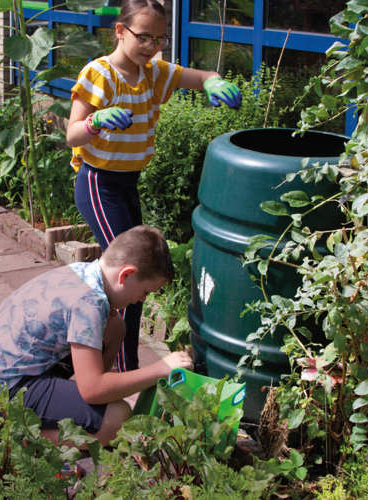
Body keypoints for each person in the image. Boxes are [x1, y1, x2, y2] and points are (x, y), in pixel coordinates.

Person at [67, 0, 241, 374]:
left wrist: (213, 80)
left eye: (159, 40)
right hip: (99, 183)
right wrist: (96, 121)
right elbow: (72, 134)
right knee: (128, 276)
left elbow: (198, 75)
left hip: (128, 183)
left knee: (129, 282)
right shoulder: (99, 73)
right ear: (120, 31)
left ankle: (107, 366)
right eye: (143, 37)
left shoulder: (153, 73)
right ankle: (117, 374)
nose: (151, 47)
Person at [0, 225, 193, 445]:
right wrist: (160, 369)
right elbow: (92, 390)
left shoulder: (84, 274)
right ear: (126, 275)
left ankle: (84, 409)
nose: (143, 300)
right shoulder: (89, 302)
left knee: (115, 328)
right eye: (145, 292)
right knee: (117, 417)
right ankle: (7, 438)